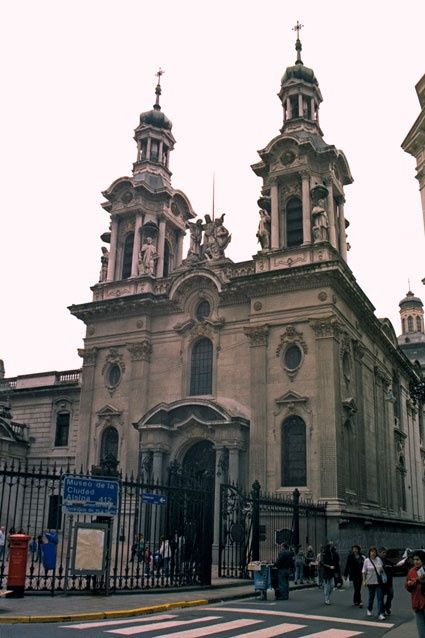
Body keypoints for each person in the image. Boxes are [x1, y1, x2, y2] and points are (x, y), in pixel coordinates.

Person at [362, 546, 386, 620]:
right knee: (371, 597)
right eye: (371, 552)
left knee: (380, 598)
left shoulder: (378, 559)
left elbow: (382, 568)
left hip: (378, 582)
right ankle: (369, 608)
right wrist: (364, 580)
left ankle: (380, 614)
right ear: (369, 553)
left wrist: (381, 569)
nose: (373, 553)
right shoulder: (366, 560)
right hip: (370, 582)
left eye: (374, 552)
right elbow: (364, 571)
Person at [405, 549, 425, 637]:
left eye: (418, 559)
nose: (415, 561)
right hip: (417, 604)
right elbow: (408, 587)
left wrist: (423, 582)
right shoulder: (411, 571)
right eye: (414, 559)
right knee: (421, 633)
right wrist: (409, 584)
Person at [320, 540, 340, 605]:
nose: (332, 547)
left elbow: (336, 562)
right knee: (327, 586)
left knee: (332, 585)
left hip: (331, 572)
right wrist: (329, 567)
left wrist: (336, 571)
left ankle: (327, 596)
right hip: (326, 572)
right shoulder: (324, 554)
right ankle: (327, 599)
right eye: (330, 546)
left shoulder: (333, 554)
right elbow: (322, 563)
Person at [379, 546, 394, 616]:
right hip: (380, 584)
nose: (384, 554)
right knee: (381, 598)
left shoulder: (389, 562)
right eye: (383, 552)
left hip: (389, 583)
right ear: (379, 553)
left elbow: (392, 571)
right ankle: (382, 611)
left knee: (391, 595)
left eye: (385, 552)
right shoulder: (377, 562)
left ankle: (387, 607)